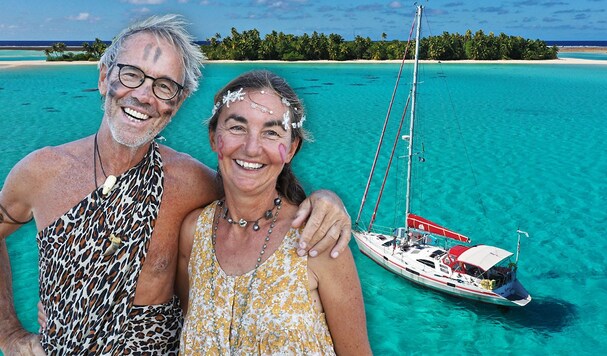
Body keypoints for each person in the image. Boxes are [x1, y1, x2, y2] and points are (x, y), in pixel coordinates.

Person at [0, 15, 351, 354]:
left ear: (178, 102)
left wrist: (325, 199)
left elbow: (256, 191)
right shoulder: (40, 172)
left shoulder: (191, 181)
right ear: (105, 77)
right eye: (131, 74)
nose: (143, 95)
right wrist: (9, 331)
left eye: (164, 86)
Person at [177, 70, 371, 355]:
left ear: (291, 149)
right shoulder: (194, 233)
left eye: (271, 132)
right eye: (237, 128)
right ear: (213, 137)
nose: (252, 148)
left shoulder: (316, 239)